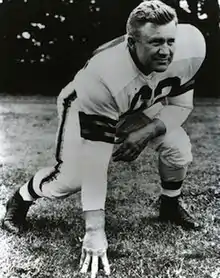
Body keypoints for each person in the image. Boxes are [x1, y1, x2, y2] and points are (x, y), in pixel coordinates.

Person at [2, 1, 206, 277]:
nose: (166, 51)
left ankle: (170, 205)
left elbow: (180, 105)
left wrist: (145, 132)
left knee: (178, 147)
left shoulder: (190, 45)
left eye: (170, 41)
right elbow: (97, 161)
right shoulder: (103, 76)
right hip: (87, 106)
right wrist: (95, 232)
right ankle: (21, 198)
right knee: (72, 179)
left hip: (140, 105)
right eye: (156, 42)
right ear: (131, 42)